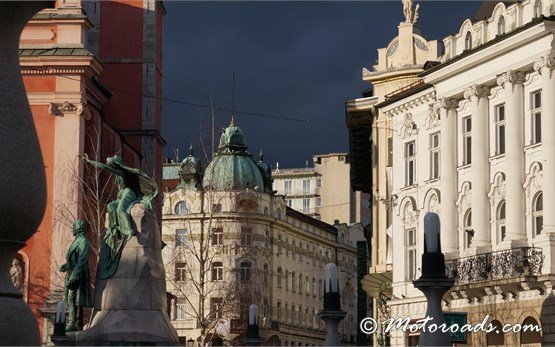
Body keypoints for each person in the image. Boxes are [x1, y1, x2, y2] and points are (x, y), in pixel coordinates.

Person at [82, 154, 158, 278]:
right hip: (122, 194)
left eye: (111, 165)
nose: (109, 166)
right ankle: (114, 228)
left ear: (116, 165)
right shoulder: (118, 176)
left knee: (121, 209)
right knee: (110, 207)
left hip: (129, 193)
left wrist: (90, 161)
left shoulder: (121, 172)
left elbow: (105, 168)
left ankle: (129, 230)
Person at [60, 220, 91, 332]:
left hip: (78, 275)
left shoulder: (83, 242)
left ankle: (73, 323)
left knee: (74, 299)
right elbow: (73, 259)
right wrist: (65, 265)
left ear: (78, 228)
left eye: (74, 227)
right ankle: (76, 323)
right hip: (72, 272)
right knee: (72, 299)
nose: (72, 229)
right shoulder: (76, 241)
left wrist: (74, 274)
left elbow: (82, 260)